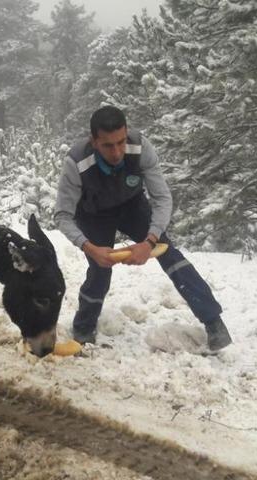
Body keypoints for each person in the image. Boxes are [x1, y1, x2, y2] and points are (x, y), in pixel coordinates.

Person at [54, 105, 232, 351]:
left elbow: (162, 198)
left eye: (121, 142)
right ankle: (84, 328)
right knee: (99, 269)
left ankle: (213, 321)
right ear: (94, 141)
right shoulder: (76, 162)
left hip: (132, 206)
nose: (117, 152)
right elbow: (62, 215)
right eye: (107, 145)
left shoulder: (141, 147)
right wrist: (89, 247)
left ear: (126, 134)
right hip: (94, 214)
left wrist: (149, 242)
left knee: (169, 253)